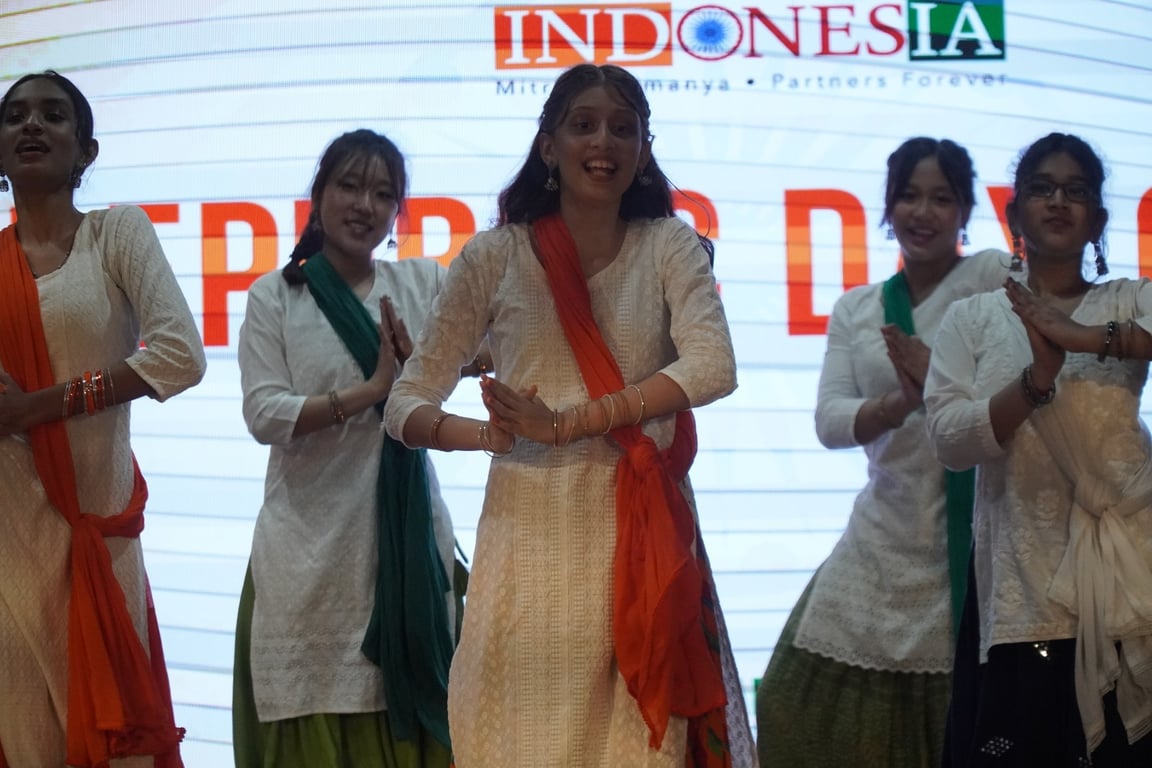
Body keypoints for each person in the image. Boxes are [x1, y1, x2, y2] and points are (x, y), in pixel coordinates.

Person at [382, 63, 754, 767]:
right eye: (583, 125)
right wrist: (487, 435)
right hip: (526, 548)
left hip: (639, 546)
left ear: (643, 150)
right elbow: (405, 404)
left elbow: (714, 368)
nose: (603, 142)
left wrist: (568, 424)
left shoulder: (669, 246)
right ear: (548, 145)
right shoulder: (496, 256)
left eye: (623, 128)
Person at [754, 137, 1010, 766]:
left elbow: (1024, 383)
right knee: (789, 700)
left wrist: (939, 377)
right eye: (909, 196)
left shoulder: (991, 279)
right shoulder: (859, 308)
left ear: (964, 210)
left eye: (941, 198)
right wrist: (900, 402)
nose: (923, 212)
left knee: (952, 723)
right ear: (889, 207)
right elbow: (830, 421)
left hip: (974, 536)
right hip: (883, 530)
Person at [233, 128, 461, 768]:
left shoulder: (421, 282)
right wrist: (373, 392)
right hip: (307, 549)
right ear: (319, 196)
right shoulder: (276, 296)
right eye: (350, 186)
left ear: (397, 212)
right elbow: (263, 413)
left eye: (383, 194)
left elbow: (491, 348)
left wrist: (429, 365)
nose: (365, 204)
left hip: (405, 545)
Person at [925, 132, 1152, 766]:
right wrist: (1035, 382)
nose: (1058, 201)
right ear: (1013, 211)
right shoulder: (973, 318)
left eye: (1075, 191)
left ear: (1098, 220)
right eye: (1041, 189)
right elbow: (950, 441)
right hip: (1026, 592)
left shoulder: (1128, 300)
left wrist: (1081, 336)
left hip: (1133, 582)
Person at [0, 71, 206, 767]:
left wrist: (41, 405)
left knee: (119, 753)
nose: (32, 125)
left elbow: (180, 356)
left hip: (97, 541)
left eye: (53, 115)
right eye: (15, 116)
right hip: (8, 552)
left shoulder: (115, 235)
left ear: (86, 150)